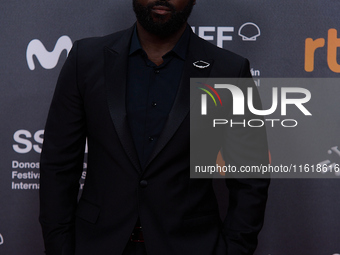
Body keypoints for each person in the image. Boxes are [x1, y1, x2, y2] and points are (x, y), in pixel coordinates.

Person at [39, 0, 270, 254]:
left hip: (192, 246)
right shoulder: (86, 59)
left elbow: (251, 176)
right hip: (97, 244)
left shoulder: (229, 71)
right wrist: (59, 247)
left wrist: (235, 249)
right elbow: (58, 165)